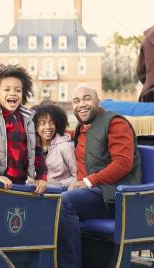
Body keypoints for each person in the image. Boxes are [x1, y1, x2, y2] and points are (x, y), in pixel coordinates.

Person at [57, 86, 142, 268]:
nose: (81, 104)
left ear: (98, 102)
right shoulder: (81, 128)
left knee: (66, 202)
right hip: (91, 193)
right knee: (47, 195)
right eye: (76, 101)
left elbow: (122, 164)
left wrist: (88, 181)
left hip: (114, 196)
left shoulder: (115, 123)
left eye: (87, 99)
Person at [0, 64, 47, 193]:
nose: (13, 93)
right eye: (7, 89)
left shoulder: (27, 119)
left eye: (18, 90)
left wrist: (41, 176)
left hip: (21, 183)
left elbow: (36, 151)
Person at [33, 103, 77, 188]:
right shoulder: (32, 148)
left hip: (58, 194)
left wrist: (55, 184)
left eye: (52, 123)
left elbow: (77, 177)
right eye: (43, 123)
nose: (48, 127)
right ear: (35, 126)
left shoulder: (65, 147)